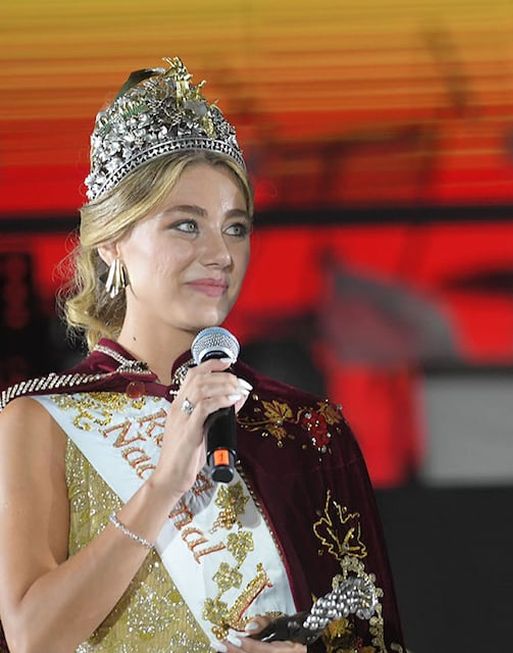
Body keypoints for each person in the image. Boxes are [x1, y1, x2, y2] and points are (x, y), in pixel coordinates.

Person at [0, 58, 405, 653]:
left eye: (235, 227)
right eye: (187, 225)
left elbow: (371, 637)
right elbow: (33, 637)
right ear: (113, 242)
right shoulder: (39, 421)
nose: (220, 253)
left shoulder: (307, 430)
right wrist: (163, 484)